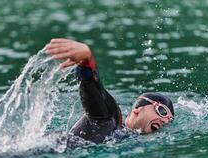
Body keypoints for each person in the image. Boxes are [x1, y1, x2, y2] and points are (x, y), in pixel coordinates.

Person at [45, 38, 174, 144]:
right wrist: (87, 61)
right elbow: (93, 89)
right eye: (161, 111)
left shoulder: (127, 137)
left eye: (169, 120)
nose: (165, 121)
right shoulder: (111, 117)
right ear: (137, 109)